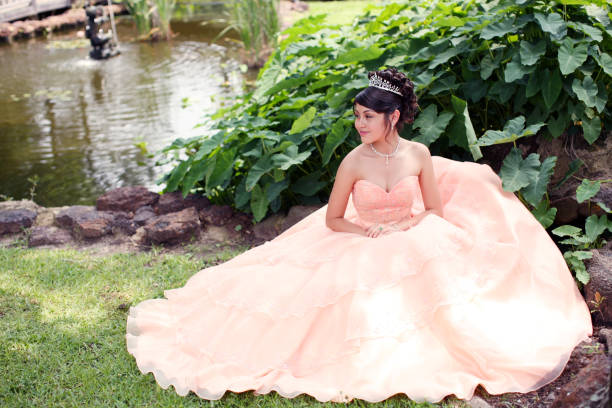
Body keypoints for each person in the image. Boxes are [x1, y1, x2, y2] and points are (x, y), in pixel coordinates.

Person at [126, 68, 593, 404]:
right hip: (359, 236)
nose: (359, 125)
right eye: (357, 116)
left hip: (414, 232)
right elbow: (332, 219)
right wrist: (364, 227)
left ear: (392, 118)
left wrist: (411, 224)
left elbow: (433, 208)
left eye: (367, 117)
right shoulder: (353, 161)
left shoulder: (419, 154)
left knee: (436, 279)